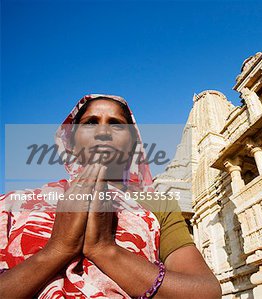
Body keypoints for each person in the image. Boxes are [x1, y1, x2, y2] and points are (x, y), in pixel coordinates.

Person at [0, 94, 221, 298]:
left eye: (116, 124)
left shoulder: (158, 206)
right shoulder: (13, 205)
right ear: (72, 141)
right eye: (90, 123)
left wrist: (105, 249)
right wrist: (58, 249)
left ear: (132, 143)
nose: (103, 132)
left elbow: (204, 292)